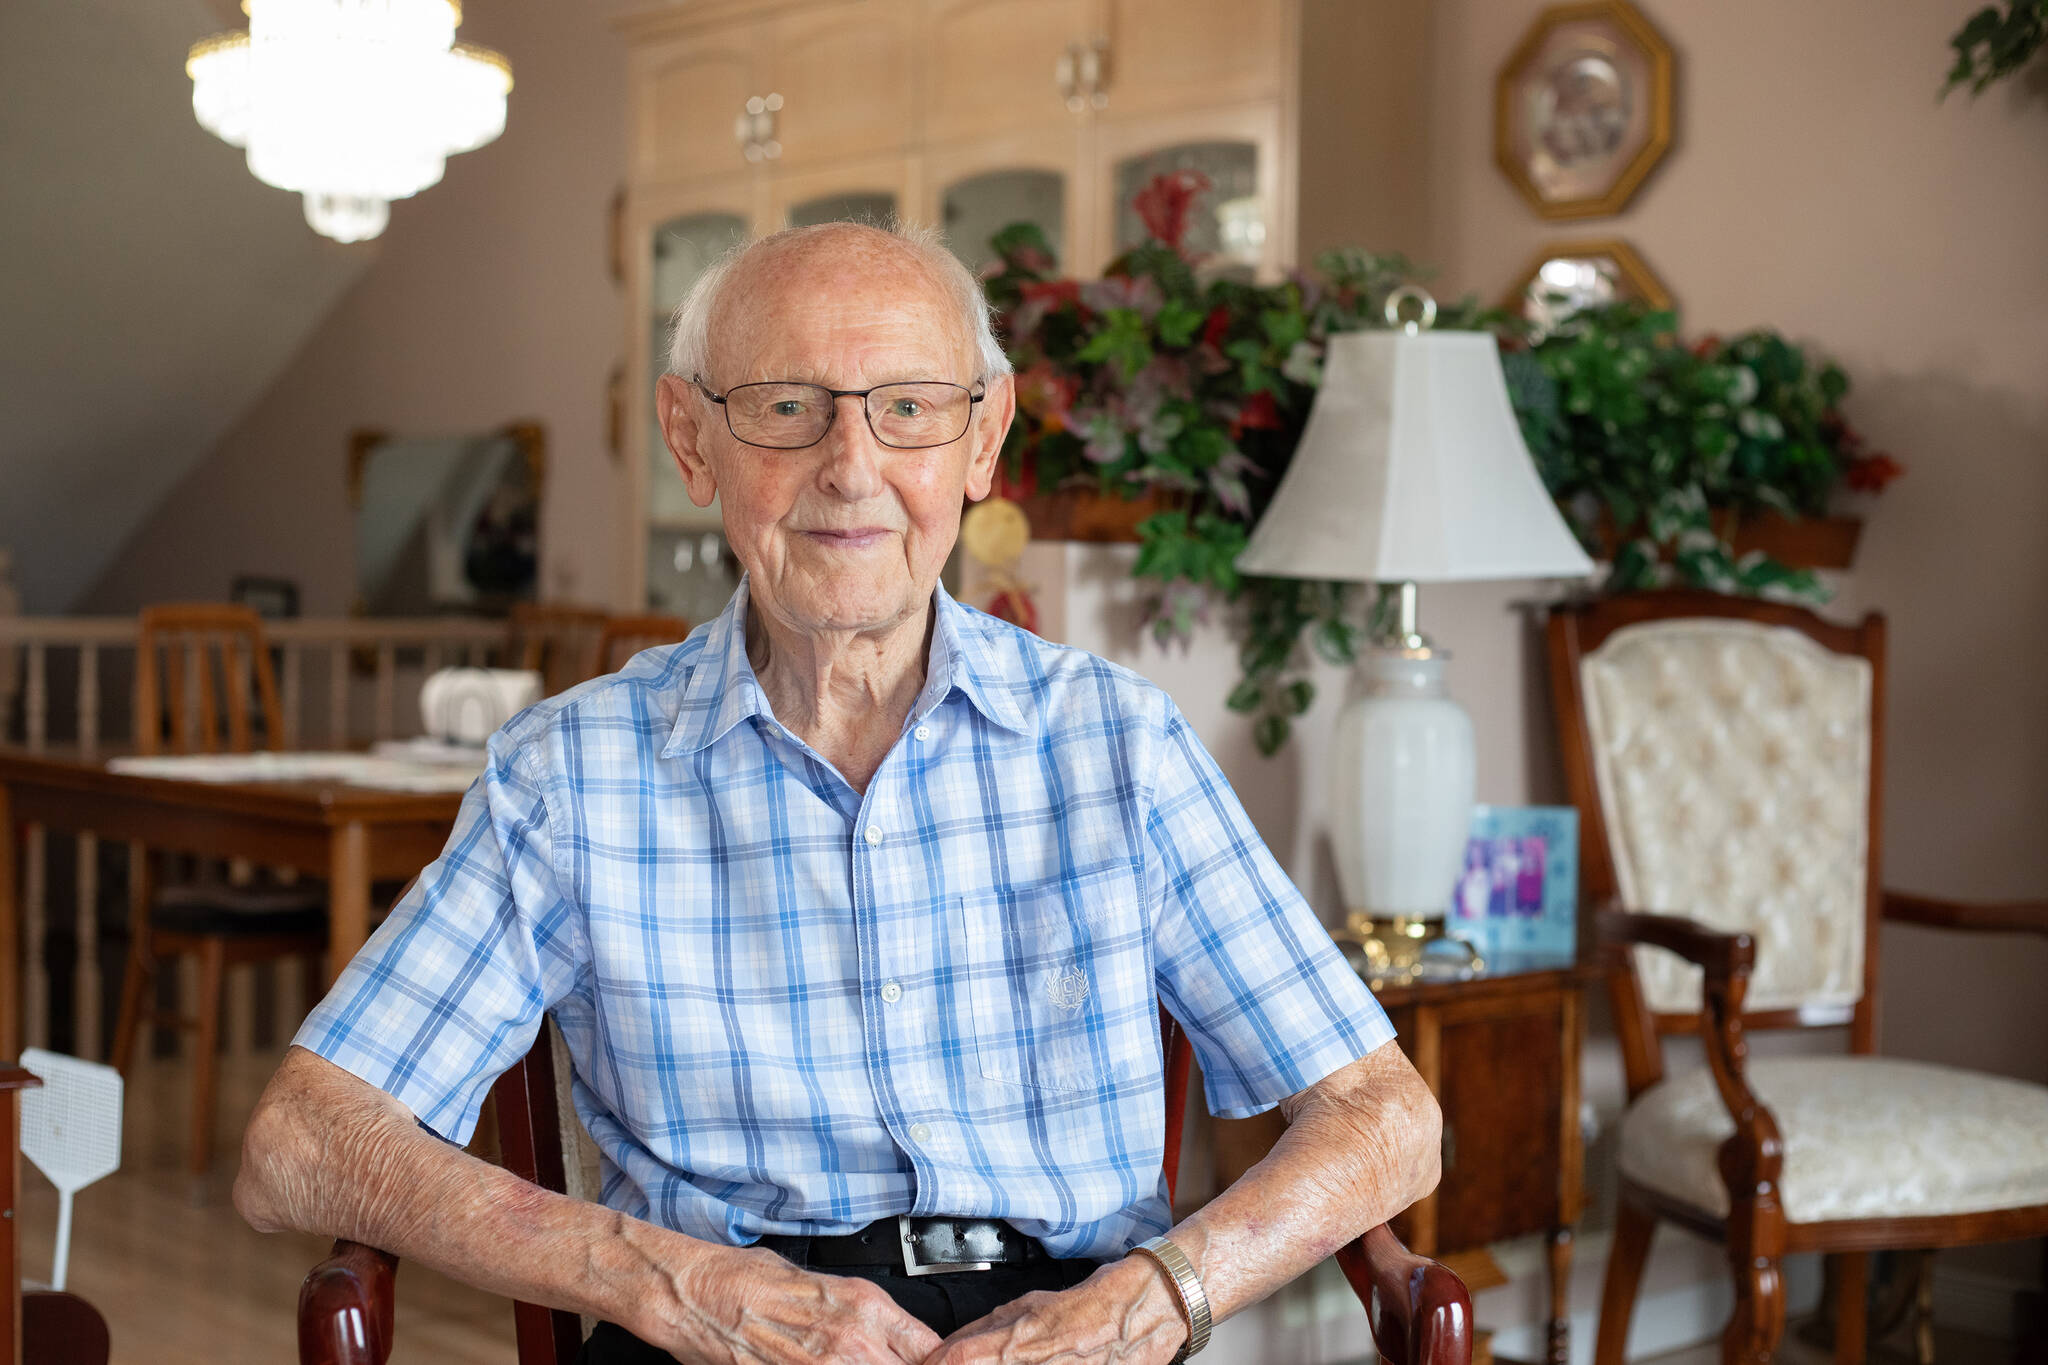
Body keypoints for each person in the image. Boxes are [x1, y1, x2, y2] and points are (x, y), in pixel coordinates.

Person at [235, 222, 1441, 1365]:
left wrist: (1152, 1302)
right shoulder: (571, 775)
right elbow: (297, 1142)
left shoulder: (1115, 744)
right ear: (691, 439)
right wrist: (665, 1280)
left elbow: (1385, 1117)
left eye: (908, 409)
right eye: (785, 410)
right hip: (713, 1328)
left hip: (1072, 1326)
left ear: (981, 443)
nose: (850, 468)